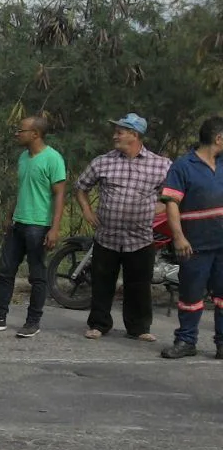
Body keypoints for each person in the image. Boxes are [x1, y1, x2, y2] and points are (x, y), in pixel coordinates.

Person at [76, 114, 172, 342]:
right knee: (102, 283)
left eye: (120, 132)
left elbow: (175, 195)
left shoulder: (161, 165)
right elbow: (81, 187)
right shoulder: (103, 161)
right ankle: (99, 324)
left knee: (138, 285)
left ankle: (139, 328)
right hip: (107, 236)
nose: (114, 136)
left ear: (135, 135)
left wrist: (158, 209)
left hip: (140, 238)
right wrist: (87, 211)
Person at [0, 116, 67, 338]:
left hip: (39, 225)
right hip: (19, 223)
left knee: (36, 275)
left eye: (21, 130)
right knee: (6, 272)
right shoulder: (23, 158)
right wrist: (9, 215)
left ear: (35, 134)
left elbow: (60, 195)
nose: (17, 133)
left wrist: (54, 228)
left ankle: (32, 321)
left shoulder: (53, 159)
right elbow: (21, 189)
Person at [159, 116, 223, 360]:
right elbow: (172, 203)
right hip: (195, 244)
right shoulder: (183, 166)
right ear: (218, 138)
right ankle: (186, 341)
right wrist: (178, 237)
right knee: (191, 296)